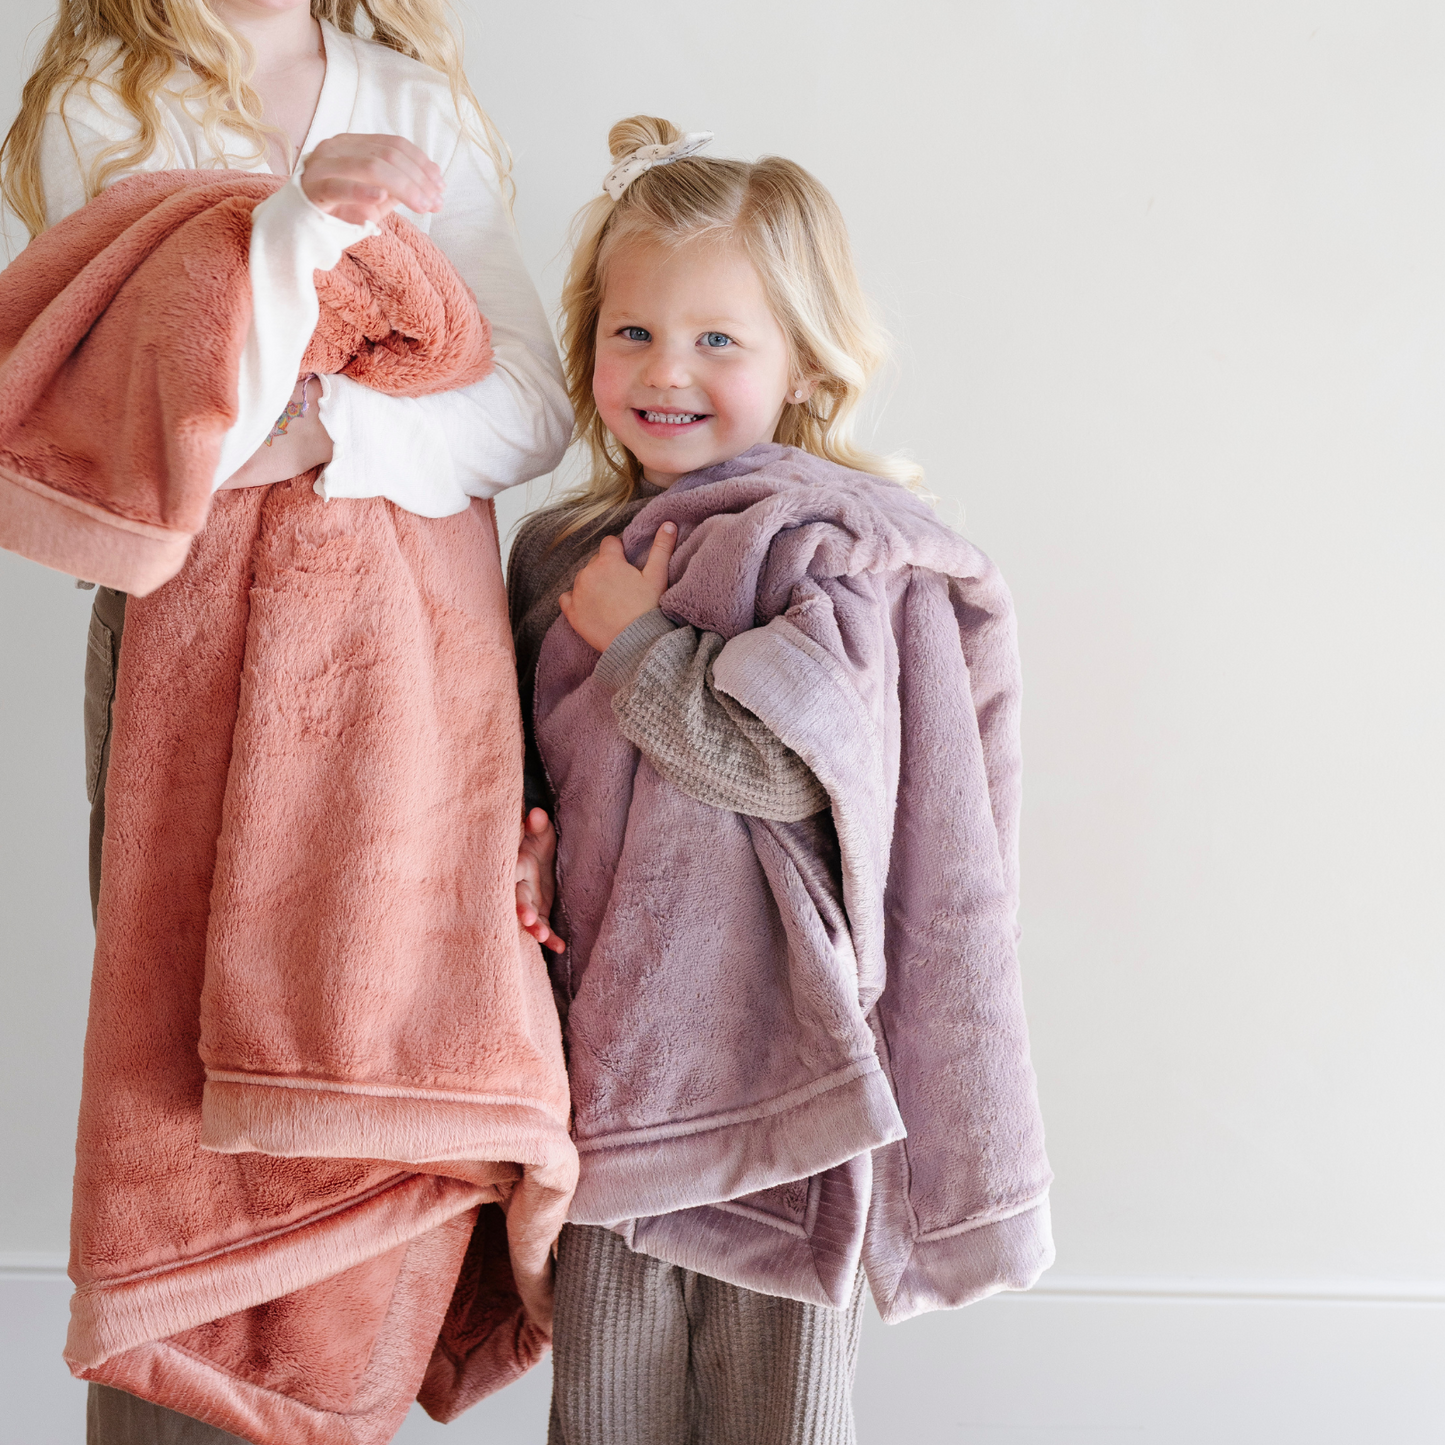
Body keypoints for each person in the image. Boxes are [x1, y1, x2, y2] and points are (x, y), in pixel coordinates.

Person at [1, 1, 569, 1439]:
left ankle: (339, 1385)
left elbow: (529, 404)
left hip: (409, 682)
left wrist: (333, 433)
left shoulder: (412, 98)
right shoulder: (107, 106)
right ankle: (195, 1373)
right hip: (183, 668)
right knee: (182, 1058)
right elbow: (156, 441)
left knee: (382, 1007)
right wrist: (298, 227)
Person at [510, 116, 1053, 1445]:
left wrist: (641, 645)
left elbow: (795, 773)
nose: (666, 369)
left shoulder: (823, 551)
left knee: (775, 1411)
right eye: (633, 331)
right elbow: (524, 755)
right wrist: (518, 841)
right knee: (608, 1402)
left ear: (805, 362)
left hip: (784, 1074)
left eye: (718, 339)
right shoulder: (562, 553)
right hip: (611, 1053)